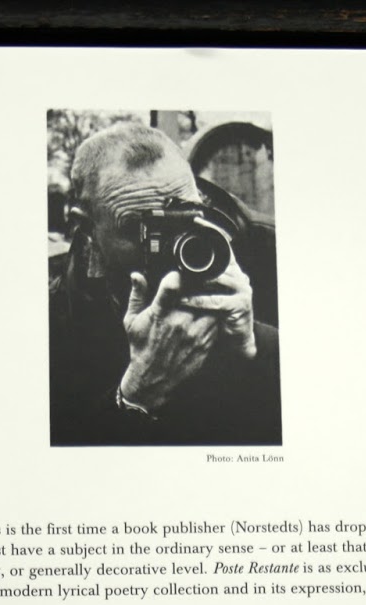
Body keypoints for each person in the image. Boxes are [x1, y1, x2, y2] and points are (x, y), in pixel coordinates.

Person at [49, 122, 281, 446]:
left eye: (186, 214)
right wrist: (135, 396)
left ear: (200, 197)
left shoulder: (265, 250)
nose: (173, 243)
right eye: (139, 228)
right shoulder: (53, 316)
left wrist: (254, 348)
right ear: (87, 227)